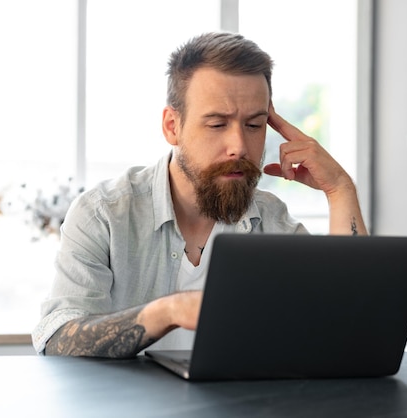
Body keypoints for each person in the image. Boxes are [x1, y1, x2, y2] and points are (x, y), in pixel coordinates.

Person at [31, 32, 368, 358]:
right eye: (217, 124)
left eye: (254, 125)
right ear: (172, 126)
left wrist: (339, 188)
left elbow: (351, 328)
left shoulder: (272, 221)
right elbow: (58, 337)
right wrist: (168, 311)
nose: (238, 147)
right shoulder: (103, 214)